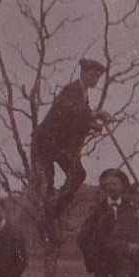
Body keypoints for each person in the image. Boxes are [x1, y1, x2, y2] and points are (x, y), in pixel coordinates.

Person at [31, 58, 109, 228]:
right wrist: (93, 115)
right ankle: (48, 221)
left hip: (60, 146)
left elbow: (74, 121)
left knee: (78, 174)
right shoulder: (70, 90)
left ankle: (54, 215)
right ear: (82, 73)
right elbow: (67, 111)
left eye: (97, 77)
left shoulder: (83, 96)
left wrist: (92, 125)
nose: (95, 79)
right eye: (92, 75)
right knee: (48, 184)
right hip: (45, 144)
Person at [77, 168, 129, 277]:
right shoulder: (97, 210)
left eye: (116, 183)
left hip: (122, 266)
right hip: (102, 266)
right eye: (109, 184)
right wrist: (92, 261)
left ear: (122, 187)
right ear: (105, 188)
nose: (112, 187)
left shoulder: (129, 209)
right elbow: (83, 237)